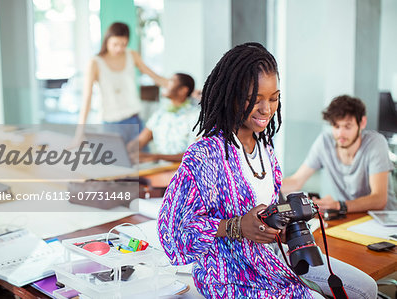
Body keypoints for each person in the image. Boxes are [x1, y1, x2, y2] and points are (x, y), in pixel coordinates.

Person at [157, 43, 377, 298]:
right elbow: (173, 233)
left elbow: (265, 214)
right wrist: (235, 226)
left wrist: (279, 229)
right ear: (232, 96)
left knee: (366, 289)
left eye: (274, 98)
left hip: (271, 257)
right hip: (230, 273)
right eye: (255, 99)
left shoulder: (265, 148)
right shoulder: (205, 154)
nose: (267, 109)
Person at [281, 95, 396, 213]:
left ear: (362, 123)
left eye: (347, 126)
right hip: (349, 218)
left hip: (384, 222)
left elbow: (379, 199)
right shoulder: (325, 142)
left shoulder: (375, 143)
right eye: (336, 126)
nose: (341, 133)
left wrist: (338, 205)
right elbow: (296, 181)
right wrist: (268, 188)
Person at [74, 22, 168, 144]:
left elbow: (155, 77)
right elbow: (87, 98)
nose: (119, 49)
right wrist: (79, 133)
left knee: (143, 160)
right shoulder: (95, 63)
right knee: (115, 161)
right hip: (110, 123)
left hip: (135, 120)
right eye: (115, 44)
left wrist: (188, 88)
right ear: (107, 40)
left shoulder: (132, 55)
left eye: (123, 44)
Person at [127, 73, 199, 163]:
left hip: (184, 171)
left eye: (171, 81)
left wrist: (157, 157)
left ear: (183, 90)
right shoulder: (160, 114)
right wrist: (125, 151)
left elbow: (195, 154)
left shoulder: (196, 116)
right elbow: (141, 140)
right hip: (161, 169)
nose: (165, 84)